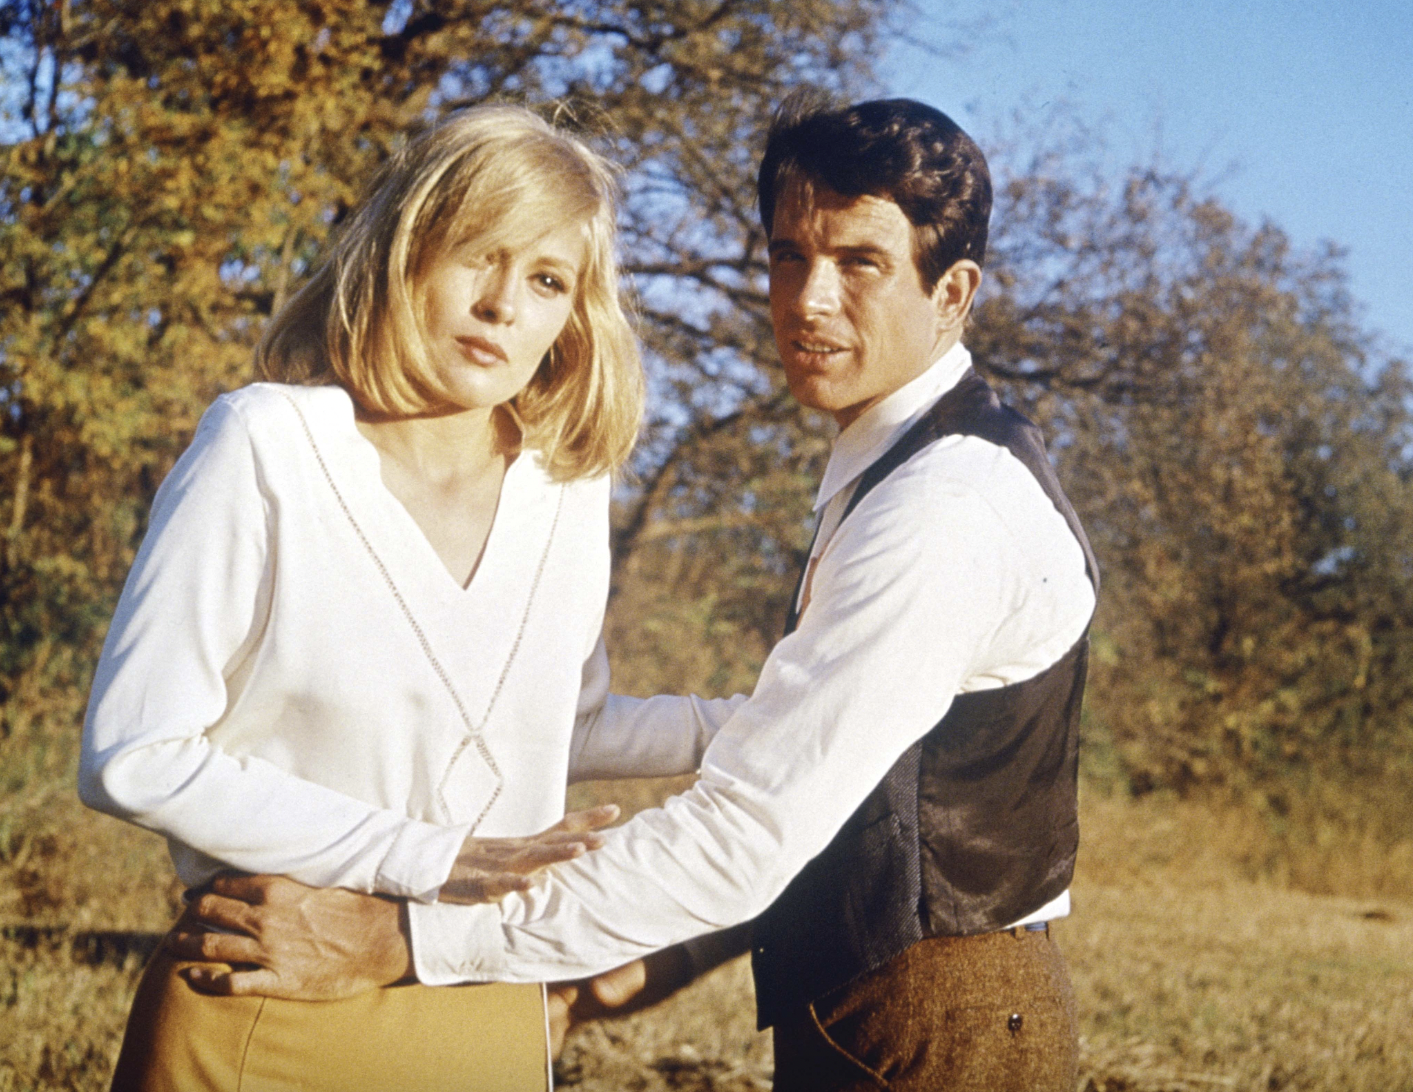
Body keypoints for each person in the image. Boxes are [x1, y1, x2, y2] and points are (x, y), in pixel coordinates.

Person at [174, 93, 1100, 1091]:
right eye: (789, 256)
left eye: (859, 263)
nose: (808, 300)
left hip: (940, 1025)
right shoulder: (903, 467)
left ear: (952, 291)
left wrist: (411, 936)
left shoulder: (944, 506)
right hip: (879, 1003)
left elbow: (748, 831)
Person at [77, 103, 729, 1092]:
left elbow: (558, 724)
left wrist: (746, 726)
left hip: (489, 1013)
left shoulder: (567, 489)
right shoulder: (266, 445)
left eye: (547, 280)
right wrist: (424, 857)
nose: (504, 302)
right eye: (480, 255)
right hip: (264, 1003)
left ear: (570, 317)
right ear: (403, 251)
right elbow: (133, 753)